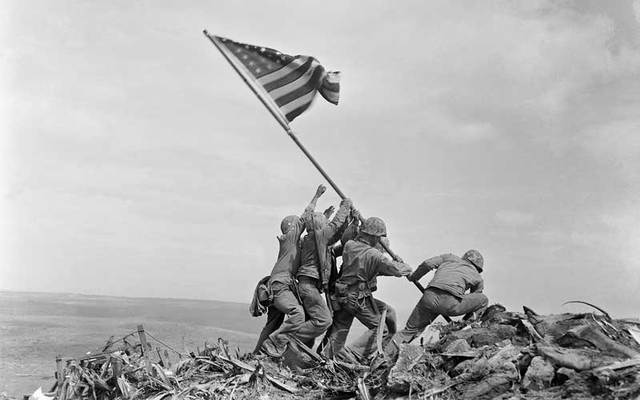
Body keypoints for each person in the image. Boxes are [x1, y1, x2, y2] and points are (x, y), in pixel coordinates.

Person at [321, 217, 413, 361]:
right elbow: (396, 271)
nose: (379, 241)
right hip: (358, 298)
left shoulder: (349, 246)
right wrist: (404, 266)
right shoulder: (374, 255)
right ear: (374, 236)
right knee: (381, 329)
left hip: (342, 294)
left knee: (340, 328)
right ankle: (351, 354)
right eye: (378, 238)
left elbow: (377, 268)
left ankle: (326, 358)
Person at [258, 185, 327, 357]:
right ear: (292, 227)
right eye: (298, 225)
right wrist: (317, 196)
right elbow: (306, 216)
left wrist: (325, 217)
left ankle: (257, 354)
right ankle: (275, 344)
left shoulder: (295, 243)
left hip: (279, 286)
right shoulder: (290, 238)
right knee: (298, 313)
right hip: (280, 285)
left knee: (273, 324)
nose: (301, 226)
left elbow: (313, 228)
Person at [293, 197, 353, 346]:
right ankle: (288, 338)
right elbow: (335, 224)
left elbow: (337, 234)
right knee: (324, 320)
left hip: (307, 285)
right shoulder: (319, 236)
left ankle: (297, 351)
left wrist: (349, 220)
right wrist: (345, 206)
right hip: (309, 286)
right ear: (321, 226)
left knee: (311, 323)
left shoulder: (310, 239)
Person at [395, 249, 488, 344]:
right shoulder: (478, 277)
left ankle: (384, 354)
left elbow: (427, 264)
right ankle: (464, 327)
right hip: (450, 304)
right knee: (483, 300)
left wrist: (413, 277)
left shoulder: (449, 257)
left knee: (408, 331)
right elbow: (475, 297)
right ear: (478, 268)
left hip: (429, 298)